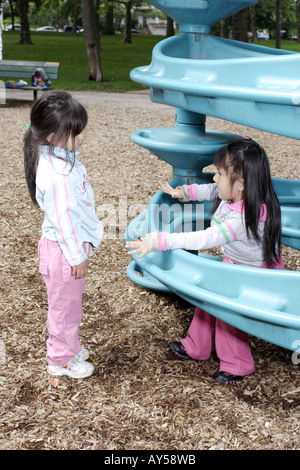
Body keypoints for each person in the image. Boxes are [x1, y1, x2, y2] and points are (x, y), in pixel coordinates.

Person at [126, 138, 283, 385]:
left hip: (255, 278)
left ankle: (238, 364)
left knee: (226, 313)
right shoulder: (236, 193)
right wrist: (183, 193)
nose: (214, 178)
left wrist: (160, 241)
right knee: (206, 295)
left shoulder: (241, 220)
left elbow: (205, 238)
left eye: (219, 173)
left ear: (241, 184)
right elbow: (209, 190)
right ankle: (196, 346)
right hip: (236, 265)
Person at [24, 91, 103, 379]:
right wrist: (77, 255)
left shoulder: (60, 158)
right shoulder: (57, 174)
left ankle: (68, 346)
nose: (81, 136)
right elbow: (64, 220)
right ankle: (60, 359)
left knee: (69, 306)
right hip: (63, 251)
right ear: (51, 135)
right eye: (75, 131)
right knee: (63, 310)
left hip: (64, 248)